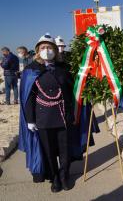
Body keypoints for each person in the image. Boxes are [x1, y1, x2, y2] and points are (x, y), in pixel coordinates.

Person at [19, 33, 80, 192]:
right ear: (38, 51)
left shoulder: (64, 68)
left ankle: (64, 175)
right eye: (43, 48)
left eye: (50, 47)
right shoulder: (30, 70)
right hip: (43, 118)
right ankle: (54, 178)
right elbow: (28, 97)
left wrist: (74, 112)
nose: (47, 50)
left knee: (65, 150)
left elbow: (73, 92)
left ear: (55, 50)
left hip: (63, 115)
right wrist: (30, 119)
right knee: (49, 151)